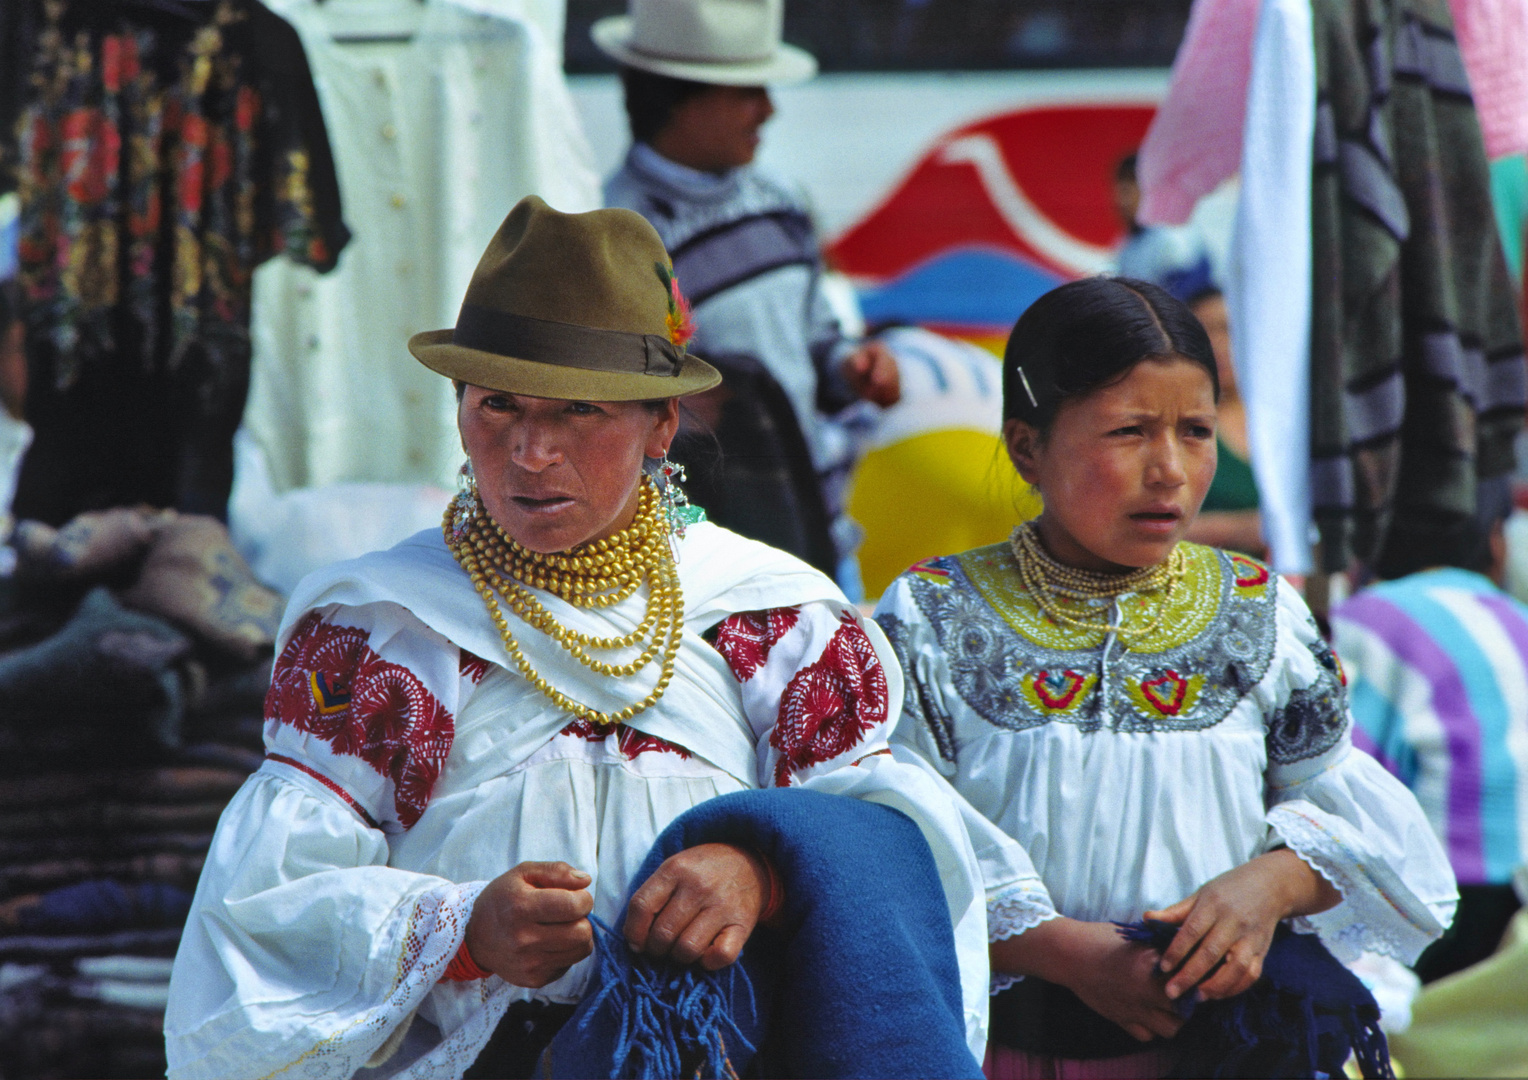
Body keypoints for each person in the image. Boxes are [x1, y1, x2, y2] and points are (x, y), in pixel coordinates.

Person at [162, 198, 995, 1079]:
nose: (529, 450)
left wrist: (766, 867)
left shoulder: (773, 617)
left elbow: (891, 847)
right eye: (499, 406)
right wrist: (461, 930)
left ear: (660, 427)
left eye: (579, 412)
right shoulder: (381, 632)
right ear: (457, 410)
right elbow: (266, 903)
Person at [874, 277, 1458, 1078]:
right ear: (1026, 446)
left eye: (1195, 431)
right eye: (1129, 431)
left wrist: (1271, 886)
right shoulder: (931, 613)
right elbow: (900, 839)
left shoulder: (1260, 608)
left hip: (1231, 1052)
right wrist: (1070, 954)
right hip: (1011, 1048)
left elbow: (1341, 807)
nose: (1171, 471)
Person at [595, 0, 898, 597]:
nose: (768, 109)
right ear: (678, 97)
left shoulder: (781, 200)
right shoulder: (620, 233)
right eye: (747, 91)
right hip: (705, 552)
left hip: (823, 531)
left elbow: (817, 342)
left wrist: (851, 367)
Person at [1331, 481, 1528, 984]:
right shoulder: (1518, 616)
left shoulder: (1368, 618)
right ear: (1496, 541)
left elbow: (1343, 773)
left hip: (1449, 901)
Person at [1182, 284, 1266, 557]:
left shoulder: (1289, 424)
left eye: (1228, 329)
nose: (1217, 345)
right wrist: (1234, 529)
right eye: (1203, 332)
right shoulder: (1175, 425)